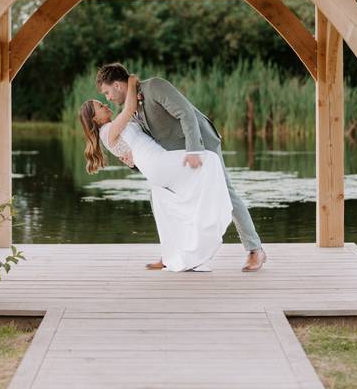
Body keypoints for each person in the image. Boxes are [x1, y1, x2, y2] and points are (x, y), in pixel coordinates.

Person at [95, 62, 267, 272]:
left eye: (107, 92)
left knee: (227, 193)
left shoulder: (154, 86)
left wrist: (194, 150)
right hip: (175, 159)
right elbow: (145, 144)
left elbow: (186, 113)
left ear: (117, 85)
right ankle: (172, 254)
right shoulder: (131, 108)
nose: (108, 98)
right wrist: (132, 162)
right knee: (159, 196)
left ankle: (255, 249)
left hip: (201, 145)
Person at [79, 74, 232, 272]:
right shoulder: (107, 130)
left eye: (105, 98)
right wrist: (132, 83)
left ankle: (175, 255)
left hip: (153, 167)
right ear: (94, 118)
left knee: (169, 210)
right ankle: (211, 220)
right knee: (210, 159)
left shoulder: (111, 128)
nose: (106, 104)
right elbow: (130, 108)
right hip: (157, 162)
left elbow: (131, 142)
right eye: (100, 105)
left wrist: (130, 158)